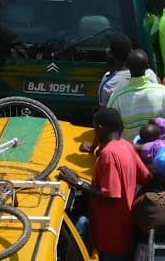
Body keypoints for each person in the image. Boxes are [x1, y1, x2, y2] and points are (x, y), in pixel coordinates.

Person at [59, 106, 150, 261]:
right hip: (125, 229)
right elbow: (145, 176)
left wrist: (78, 182)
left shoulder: (108, 155)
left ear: (100, 129)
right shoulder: (126, 145)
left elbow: (111, 196)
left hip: (110, 236)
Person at [106, 48, 165, 137]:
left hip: (129, 149)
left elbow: (111, 127)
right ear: (147, 67)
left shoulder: (116, 97)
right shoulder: (162, 92)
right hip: (157, 149)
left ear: (127, 66)